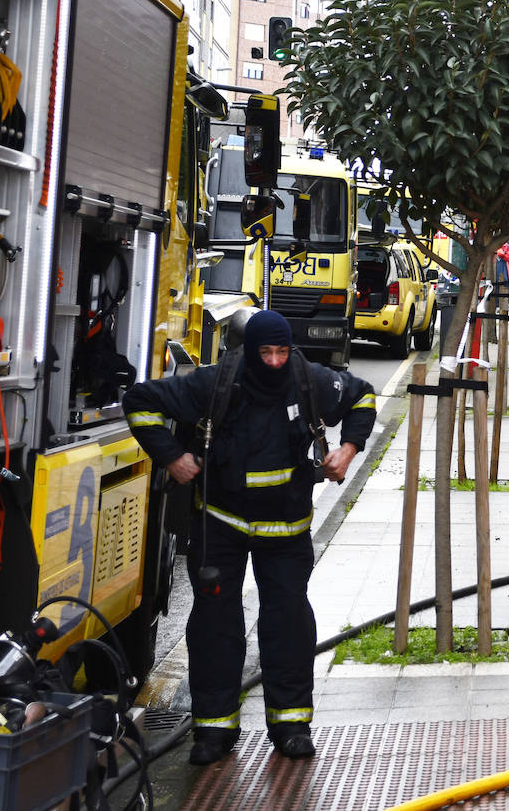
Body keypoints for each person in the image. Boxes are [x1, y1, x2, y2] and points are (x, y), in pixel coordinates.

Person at [121, 310, 376, 765]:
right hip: (221, 523)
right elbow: (140, 402)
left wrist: (348, 450)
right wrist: (172, 457)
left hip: (285, 527)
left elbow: (362, 399)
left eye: (282, 352)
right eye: (266, 353)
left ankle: (291, 725)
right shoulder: (215, 383)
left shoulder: (309, 379)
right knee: (215, 625)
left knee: (288, 623)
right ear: (249, 352)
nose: (275, 362)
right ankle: (214, 731)